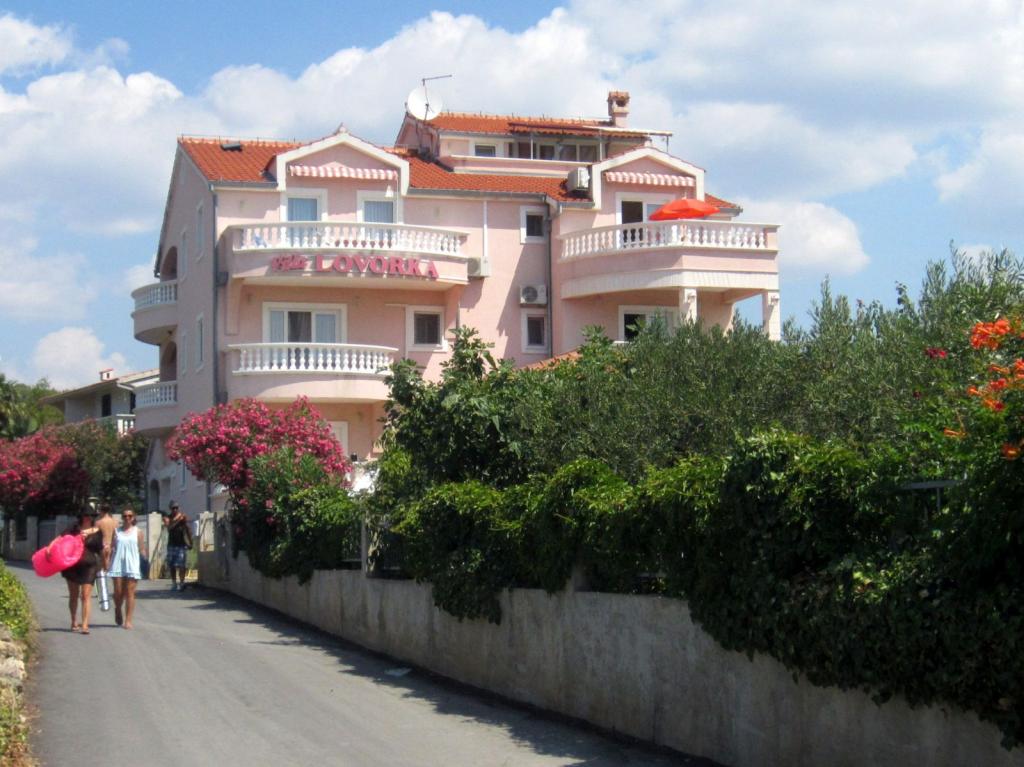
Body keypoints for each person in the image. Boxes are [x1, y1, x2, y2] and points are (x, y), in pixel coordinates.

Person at [58, 510, 103, 634]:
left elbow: (100, 550)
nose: (88, 517)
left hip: (90, 566)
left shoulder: (97, 532)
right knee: (74, 594)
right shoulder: (73, 529)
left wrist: (104, 564)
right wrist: (50, 548)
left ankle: (85, 625)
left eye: (90, 515)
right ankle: (74, 621)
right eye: (85, 515)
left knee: (85, 595)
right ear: (81, 517)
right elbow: (61, 539)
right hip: (72, 565)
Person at [109, 508, 146, 629]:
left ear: (133, 517)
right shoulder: (117, 532)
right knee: (118, 592)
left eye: (129, 516)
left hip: (132, 564)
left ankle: (128, 620)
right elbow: (112, 548)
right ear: (122, 518)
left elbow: (141, 549)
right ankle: (118, 608)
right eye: (125, 516)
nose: (127, 518)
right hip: (118, 563)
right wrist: (106, 562)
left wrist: (146, 561)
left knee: (130, 592)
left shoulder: (138, 532)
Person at [163, 502, 192, 591]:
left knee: (182, 565)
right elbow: (169, 527)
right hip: (171, 544)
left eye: (176, 508)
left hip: (181, 544)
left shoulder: (182, 517)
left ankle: (182, 583)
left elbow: (187, 528)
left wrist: (190, 541)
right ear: (170, 509)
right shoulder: (168, 517)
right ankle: (174, 583)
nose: (175, 510)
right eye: (173, 508)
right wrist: (178, 519)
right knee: (172, 565)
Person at [95, 502, 116, 571]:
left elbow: (95, 535)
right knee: (110, 567)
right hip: (111, 545)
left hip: (102, 545)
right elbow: (116, 535)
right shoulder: (115, 522)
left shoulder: (99, 522)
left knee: (103, 569)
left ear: (101, 510)